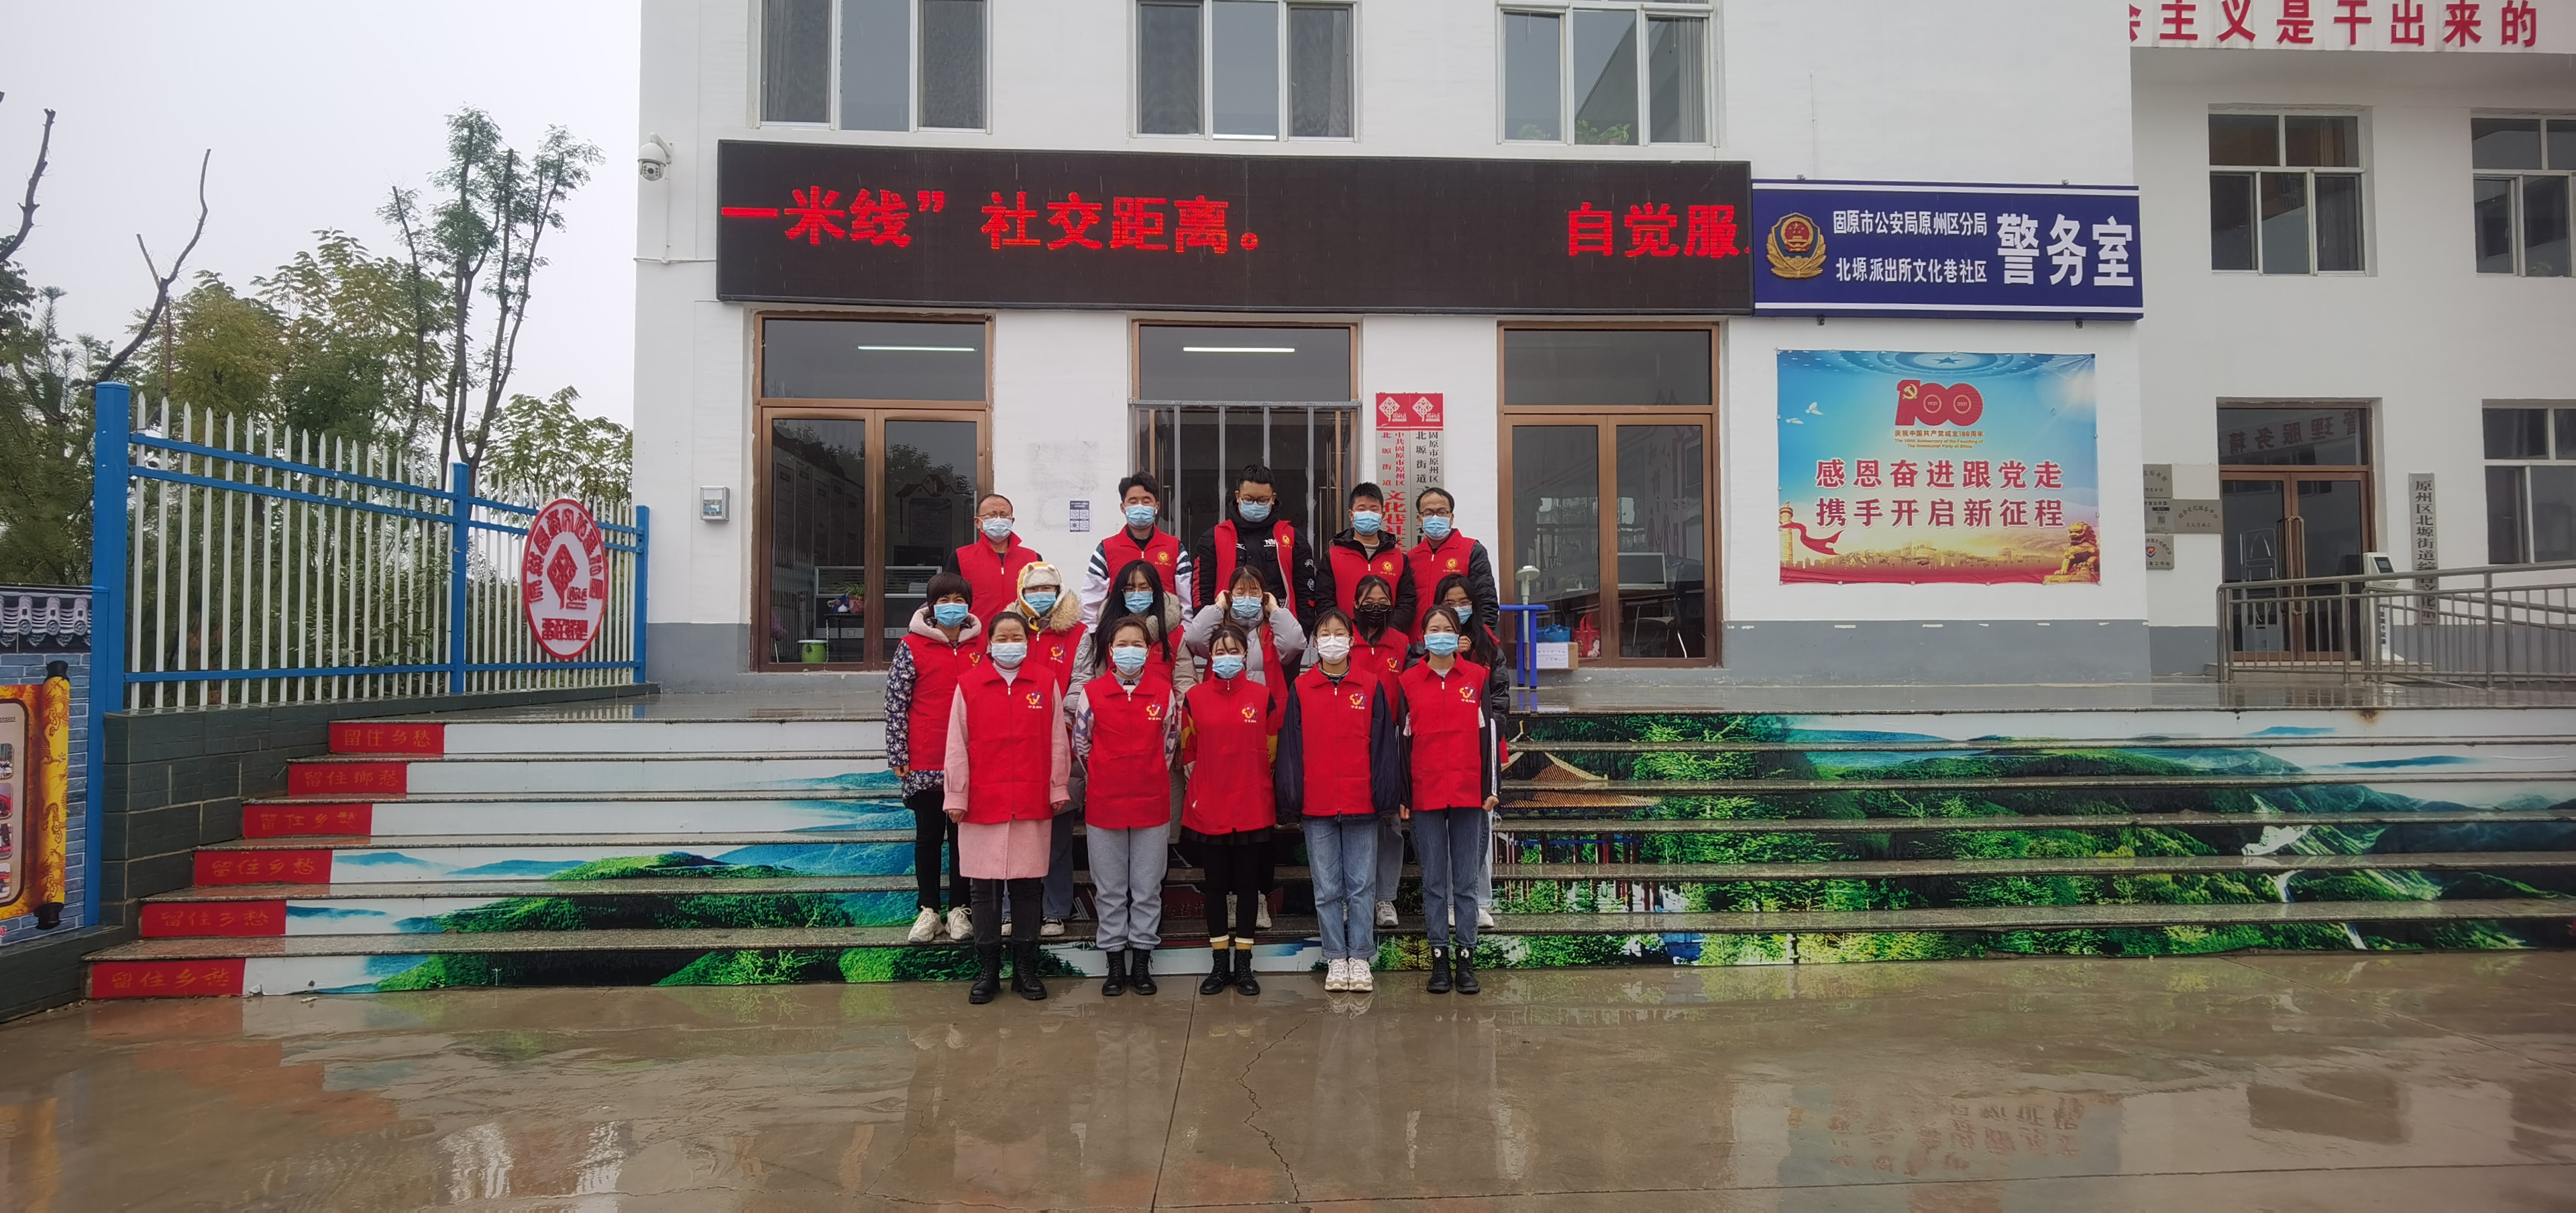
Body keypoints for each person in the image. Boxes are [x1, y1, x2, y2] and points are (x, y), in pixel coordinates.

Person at [942, 611, 1074, 1004]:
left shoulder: (1045, 682)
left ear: (1028, 642)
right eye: (1003, 637)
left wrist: (1058, 786)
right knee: (983, 891)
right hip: (982, 802)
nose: (1010, 643)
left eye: (1017, 637)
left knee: (1028, 888)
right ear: (990, 643)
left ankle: (1025, 971)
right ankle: (987, 972)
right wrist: (956, 795)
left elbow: (1057, 740)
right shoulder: (969, 684)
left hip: (1031, 800)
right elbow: (956, 744)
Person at [1273, 609, 1404, 993]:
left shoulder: (1371, 686)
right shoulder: (1301, 689)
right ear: (1316, 643)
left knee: (1361, 886)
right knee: (1327, 888)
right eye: (1325, 634)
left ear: (1351, 640)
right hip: (1317, 804)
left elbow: (1384, 747)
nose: (1332, 640)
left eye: (1339, 633)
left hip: (1362, 802)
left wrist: (1385, 796)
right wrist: (1291, 799)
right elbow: (1291, 749)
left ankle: (1360, 957)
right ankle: (1335, 956)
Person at [1184, 564, 1307, 929]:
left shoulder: (1270, 630)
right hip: (1221, 732)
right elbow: (1193, 637)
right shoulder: (1218, 630)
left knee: (1260, 823)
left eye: (1255, 591)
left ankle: (1259, 897)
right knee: (1223, 828)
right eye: (1240, 591)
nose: (1247, 597)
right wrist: (1217, 607)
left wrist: (1274, 609)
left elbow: (1296, 644)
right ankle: (1231, 900)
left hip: (1265, 726)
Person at [1067, 615, 1181, 996]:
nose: (1130, 651)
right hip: (1105, 804)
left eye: (1138, 644)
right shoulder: (1093, 693)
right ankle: (1115, 961)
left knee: (1147, 887)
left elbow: (1169, 744)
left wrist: (1146, 774)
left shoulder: (1163, 693)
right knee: (1110, 889)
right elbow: (1082, 745)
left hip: (1152, 803)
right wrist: (1105, 773)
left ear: (1149, 651)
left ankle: (1143, 961)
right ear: (1110, 651)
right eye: (1123, 644)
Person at [1394, 606, 1502, 996]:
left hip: (1469, 792)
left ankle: (1466, 960)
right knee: (1435, 882)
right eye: (1433, 629)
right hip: (1425, 793)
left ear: (1458, 636)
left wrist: (1492, 788)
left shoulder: (1476, 677)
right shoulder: (1408, 681)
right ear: (1423, 637)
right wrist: (1404, 794)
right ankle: (1439, 960)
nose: (1440, 634)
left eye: (1447, 628)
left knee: (1466, 883)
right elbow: (1403, 742)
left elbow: (1488, 736)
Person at [1179, 623, 1277, 996]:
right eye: (1220, 651)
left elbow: (1271, 751)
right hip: (1210, 808)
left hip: (1252, 807)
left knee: (1249, 887)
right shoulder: (1194, 699)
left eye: (1233, 650)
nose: (1227, 657)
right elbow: (1188, 752)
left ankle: (1245, 965)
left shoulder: (1263, 697)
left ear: (1245, 655)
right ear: (1210, 656)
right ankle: (1220, 962)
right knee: (1216, 887)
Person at [885, 573, 984, 947]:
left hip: (971, 758)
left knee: (963, 838)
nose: (952, 606)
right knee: (928, 836)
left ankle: (960, 909)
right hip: (925, 756)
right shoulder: (911, 646)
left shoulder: (983, 645)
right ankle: (928, 910)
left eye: (959, 599)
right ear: (931, 605)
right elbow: (896, 703)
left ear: (969, 604)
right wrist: (898, 752)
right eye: (944, 600)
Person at [1424, 572, 1511, 932]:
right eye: (1450, 603)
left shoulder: (1489, 645)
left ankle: (1479, 901)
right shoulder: (1425, 648)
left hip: (1480, 751)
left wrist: (1487, 736)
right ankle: (1447, 904)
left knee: (1479, 833)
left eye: (1464, 602)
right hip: (1438, 753)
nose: (1458, 609)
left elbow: (1500, 699)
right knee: (1442, 840)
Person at [1011, 562, 1088, 939]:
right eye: (1033, 589)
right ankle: (1011, 909)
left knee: (1058, 840)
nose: (1041, 596)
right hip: (1015, 746)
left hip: (1063, 742)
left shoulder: (1078, 634)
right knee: (1016, 836)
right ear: (1021, 593)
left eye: (1048, 589)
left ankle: (1056, 910)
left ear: (1059, 593)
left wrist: (1056, 719)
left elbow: (1082, 682)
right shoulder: (1010, 631)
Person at [1350, 573, 1415, 931]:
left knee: (1390, 823)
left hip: (1390, 738)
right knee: (1355, 821)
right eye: (1369, 601)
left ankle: (1384, 897)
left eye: (1383, 601)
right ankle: (1353, 896)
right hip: (1351, 737)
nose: (1376, 607)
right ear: (1356, 604)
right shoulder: (1344, 641)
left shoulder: (1402, 644)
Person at [1191, 463, 1316, 621]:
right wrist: (1208, 627)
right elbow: (1201, 593)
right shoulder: (1213, 538)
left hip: (1279, 629)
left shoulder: (1293, 538)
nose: (1255, 505)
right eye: (1249, 499)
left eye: (1262, 500)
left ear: (1273, 499)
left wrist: (1302, 629)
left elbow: (1306, 592)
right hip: (1227, 630)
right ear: (1238, 496)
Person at [1079, 473, 1193, 626]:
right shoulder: (1106, 549)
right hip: (1119, 634)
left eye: (1146, 501)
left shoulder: (1175, 548)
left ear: (1157, 506)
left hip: (1166, 633)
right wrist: (1094, 633)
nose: (1140, 506)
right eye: (1133, 502)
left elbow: (1187, 600)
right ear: (1123, 508)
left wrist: (1184, 631)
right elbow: (1090, 600)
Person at [1311, 481, 1413, 625]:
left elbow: (1407, 602)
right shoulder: (1332, 557)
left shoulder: (1399, 559)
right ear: (1351, 515)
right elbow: (1324, 600)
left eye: (1374, 509)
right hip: (1345, 635)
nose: (1368, 514)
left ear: (1382, 515)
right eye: (1361, 509)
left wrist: (1391, 631)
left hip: (1389, 636)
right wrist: (1343, 631)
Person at [1405, 486, 1501, 637]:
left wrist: (1480, 641)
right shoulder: (1411, 557)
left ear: (1451, 517)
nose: (1435, 517)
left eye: (1442, 512)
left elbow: (1486, 601)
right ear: (1420, 519)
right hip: (1419, 644)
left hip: (1460, 643)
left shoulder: (1472, 550)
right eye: (1428, 513)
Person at [945, 492, 1043, 625]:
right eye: (991, 515)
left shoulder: (1033, 559)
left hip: (1022, 634)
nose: (998, 520)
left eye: (1004, 515)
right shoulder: (960, 557)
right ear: (978, 522)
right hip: (976, 634)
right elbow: (949, 602)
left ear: (1012, 521)